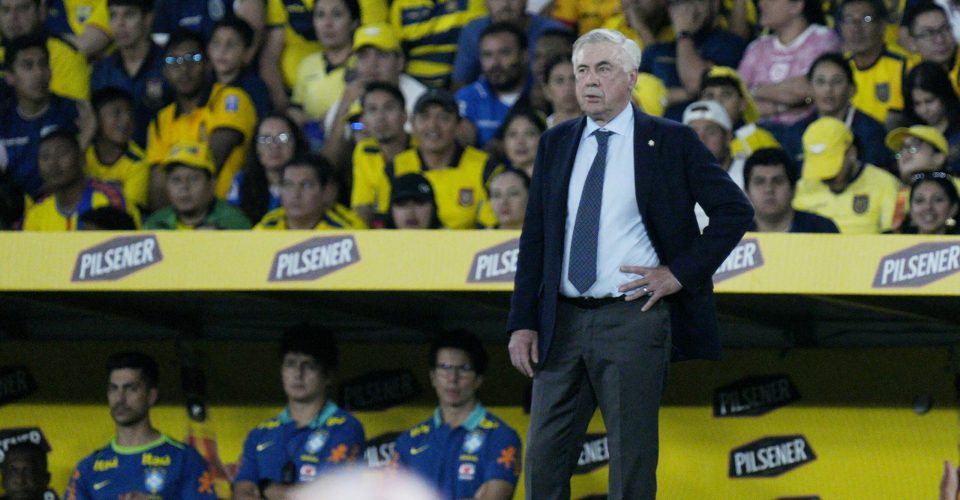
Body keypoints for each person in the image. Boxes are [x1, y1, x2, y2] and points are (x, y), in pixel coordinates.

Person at [506, 29, 753, 500]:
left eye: (603, 69)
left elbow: (734, 210)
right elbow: (534, 238)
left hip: (633, 318)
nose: (589, 81)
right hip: (560, 320)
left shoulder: (671, 140)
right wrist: (522, 321)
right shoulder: (556, 143)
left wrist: (678, 272)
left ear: (632, 78)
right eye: (581, 71)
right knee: (541, 460)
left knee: (631, 461)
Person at [232, 324, 365, 499]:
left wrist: (265, 489)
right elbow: (242, 491)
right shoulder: (260, 434)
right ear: (281, 370)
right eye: (290, 364)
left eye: (308, 365)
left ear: (328, 375)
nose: (298, 373)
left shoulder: (345, 427)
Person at [65, 351, 216, 499]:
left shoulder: (184, 459)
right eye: (113, 389)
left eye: (131, 389)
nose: (120, 398)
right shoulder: (88, 468)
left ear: (151, 396)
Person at [394, 330, 521, 500]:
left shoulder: (501, 437)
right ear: (433, 377)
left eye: (464, 368)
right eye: (444, 367)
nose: (452, 378)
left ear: (479, 379)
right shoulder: (409, 440)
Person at [146, 29, 257, 208]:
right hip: (180, 220)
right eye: (174, 61)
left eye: (193, 59)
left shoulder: (229, 98)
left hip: (227, 212)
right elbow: (158, 185)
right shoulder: (161, 120)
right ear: (165, 71)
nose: (184, 69)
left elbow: (212, 160)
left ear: (208, 64)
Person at [386, 90, 502, 229]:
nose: (433, 126)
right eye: (424, 117)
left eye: (444, 117)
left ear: (458, 125)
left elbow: (493, 228)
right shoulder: (396, 167)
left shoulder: (486, 167)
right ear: (412, 124)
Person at [321, 23, 427, 170]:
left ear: (400, 62)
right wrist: (357, 123)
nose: (372, 64)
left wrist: (372, 129)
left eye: (382, 55)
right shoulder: (351, 94)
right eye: (363, 56)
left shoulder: (419, 97)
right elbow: (329, 161)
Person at [769, 52, 893, 170]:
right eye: (820, 81)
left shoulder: (871, 131)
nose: (828, 89)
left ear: (852, 89)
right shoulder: (796, 132)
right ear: (810, 88)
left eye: (837, 81)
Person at [0, 35, 86, 201]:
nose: (38, 73)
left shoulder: (73, 112)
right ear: (10, 76)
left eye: (43, 64)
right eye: (28, 66)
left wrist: (85, 139)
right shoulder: (3, 121)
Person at [637, 0, 747, 121]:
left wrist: (684, 34)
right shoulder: (655, 52)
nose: (687, 11)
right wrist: (687, 94)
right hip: (658, 131)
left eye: (696, 1)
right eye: (678, 4)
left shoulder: (729, 44)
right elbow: (636, 96)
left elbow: (696, 82)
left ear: (715, 4)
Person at [738, 0, 841, 125]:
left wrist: (755, 89)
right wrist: (786, 106)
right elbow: (739, 99)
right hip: (759, 136)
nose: (761, 4)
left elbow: (809, 89)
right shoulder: (757, 47)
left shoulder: (823, 40)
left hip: (809, 132)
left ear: (796, 5)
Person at [793, 116, 901, 234]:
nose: (826, 177)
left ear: (851, 153)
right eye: (817, 167)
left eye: (831, 166)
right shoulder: (801, 188)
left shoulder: (886, 185)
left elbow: (893, 239)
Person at [91, 0, 172, 147]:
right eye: (113, 16)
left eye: (128, 15)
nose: (120, 24)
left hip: (163, 155)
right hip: (118, 163)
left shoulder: (168, 64)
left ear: (147, 19)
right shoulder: (102, 70)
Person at [22, 129, 136, 231]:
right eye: (45, 157)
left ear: (81, 159)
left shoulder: (110, 199)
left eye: (62, 153)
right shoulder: (36, 213)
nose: (53, 164)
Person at [452, 0, 567, 88]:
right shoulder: (473, 31)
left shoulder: (553, 32)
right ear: (485, 2)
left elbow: (567, 82)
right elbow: (461, 83)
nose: (505, 5)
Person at [456, 22, 532, 148]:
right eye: (487, 55)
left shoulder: (542, 94)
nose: (495, 63)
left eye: (504, 53)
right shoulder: (468, 97)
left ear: (524, 56)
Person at [144, 142, 253, 229]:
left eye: (193, 179)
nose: (184, 187)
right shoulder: (155, 224)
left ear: (212, 184)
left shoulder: (234, 223)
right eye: (176, 180)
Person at [350, 82, 414, 224]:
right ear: (364, 120)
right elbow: (361, 208)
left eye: (389, 108)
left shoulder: (422, 148)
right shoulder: (363, 150)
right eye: (372, 110)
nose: (380, 117)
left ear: (404, 115)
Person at [289, 0, 360, 127]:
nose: (327, 23)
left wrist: (340, 124)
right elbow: (295, 110)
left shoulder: (364, 64)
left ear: (354, 22)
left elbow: (363, 123)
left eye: (337, 15)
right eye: (320, 15)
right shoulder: (308, 64)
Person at [838, 0, 909, 127]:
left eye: (866, 19)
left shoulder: (903, 64)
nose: (856, 28)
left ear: (882, 26)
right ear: (841, 27)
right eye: (849, 20)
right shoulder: (840, 68)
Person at [227, 113, 307, 223]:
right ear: (256, 147)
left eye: (283, 138)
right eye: (265, 139)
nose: (274, 146)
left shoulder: (309, 180)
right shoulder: (242, 180)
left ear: (296, 143)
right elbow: (232, 222)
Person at [389, 0, 486, 88]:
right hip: (414, 87)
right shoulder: (401, 5)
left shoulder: (471, 2)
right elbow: (398, 53)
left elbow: (478, 44)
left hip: (460, 84)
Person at [682, 100, 746, 231]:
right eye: (693, 133)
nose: (701, 140)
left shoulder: (748, 172)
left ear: (728, 137)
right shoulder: (672, 178)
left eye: (710, 132)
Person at [254, 155, 368, 229]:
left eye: (306, 185)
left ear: (325, 192)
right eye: (288, 185)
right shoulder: (267, 227)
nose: (296, 194)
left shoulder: (347, 231)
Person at [742, 147, 840, 232]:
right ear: (746, 192)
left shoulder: (822, 229)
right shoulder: (733, 233)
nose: (769, 189)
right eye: (759, 182)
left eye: (778, 181)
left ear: (794, 189)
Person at [85, 87, 150, 211]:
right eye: (116, 112)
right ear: (95, 118)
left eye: (129, 113)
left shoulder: (137, 162)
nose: (126, 120)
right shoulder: (83, 154)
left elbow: (129, 212)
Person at [698, 66, 781, 162]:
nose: (717, 102)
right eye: (709, 95)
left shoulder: (760, 140)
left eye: (726, 94)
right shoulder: (687, 137)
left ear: (742, 104)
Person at [209, 16, 272, 121]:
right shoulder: (204, 85)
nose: (222, 51)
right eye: (216, 43)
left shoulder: (255, 88)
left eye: (231, 45)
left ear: (247, 53)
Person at [903, 61, 960, 174]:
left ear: (944, 96)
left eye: (929, 101)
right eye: (917, 104)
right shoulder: (911, 134)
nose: (924, 110)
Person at [903, 1, 960, 95]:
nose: (940, 40)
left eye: (944, 29)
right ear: (912, 42)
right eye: (929, 33)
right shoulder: (904, 73)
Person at [498, 109, 545, 177]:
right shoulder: (498, 182)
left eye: (529, 134)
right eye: (513, 134)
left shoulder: (557, 180)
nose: (520, 142)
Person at [541, 54, 581, 128]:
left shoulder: (601, 127)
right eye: (559, 81)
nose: (568, 87)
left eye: (574, 79)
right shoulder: (541, 129)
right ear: (547, 90)